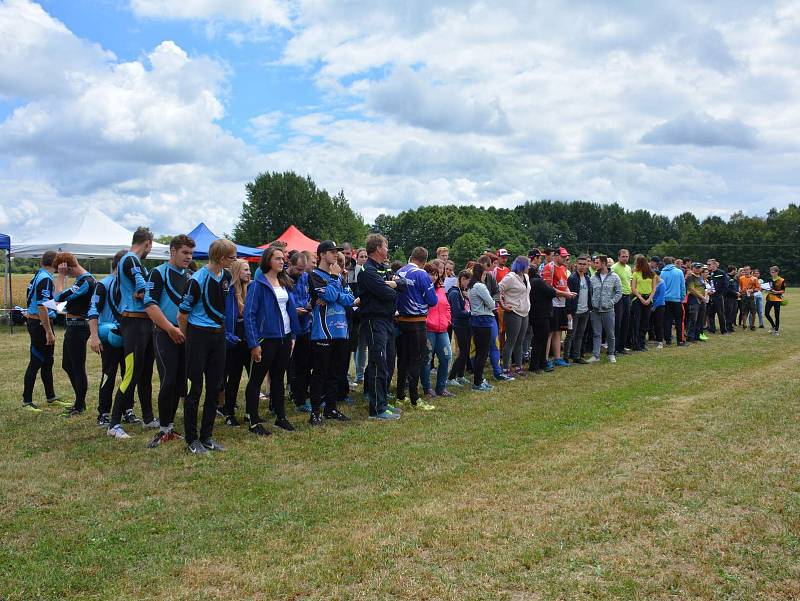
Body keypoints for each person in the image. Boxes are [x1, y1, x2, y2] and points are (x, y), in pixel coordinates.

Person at [177, 239, 235, 453]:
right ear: (221, 258)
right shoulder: (196, 280)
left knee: (215, 387)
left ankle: (207, 436)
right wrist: (187, 338)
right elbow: (181, 314)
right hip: (198, 336)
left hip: (218, 337)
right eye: (232, 257)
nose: (235, 260)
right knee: (195, 389)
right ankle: (191, 439)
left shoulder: (226, 276)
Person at [243, 246, 301, 435]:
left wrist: (292, 335)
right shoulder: (257, 285)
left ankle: (280, 417)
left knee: (278, 378)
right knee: (256, 379)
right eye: (278, 258)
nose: (282, 261)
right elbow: (250, 315)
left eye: (283, 258)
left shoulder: (284, 282)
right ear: (268, 261)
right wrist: (254, 343)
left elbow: (289, 311)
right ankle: (252, 420)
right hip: (266, 338)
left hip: (284, 337)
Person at [107, 227, 158, 440]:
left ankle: (147, 418)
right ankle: (114, 423)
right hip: (134, 322)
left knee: (145, 372)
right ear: (147, 243)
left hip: (143, 323)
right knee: (132, 372)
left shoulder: (131, 261)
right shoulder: (131, 259)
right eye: (150, 246)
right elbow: (141, 289)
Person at [143, 235, 194, 446]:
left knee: (181, 383)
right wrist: (170, 328)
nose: (188, 257)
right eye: (185, 253)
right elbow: (149, 305)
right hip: (164, 334)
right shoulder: (158, 273)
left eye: (191, 253)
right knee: (168, 380)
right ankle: (163, 428)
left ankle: (170, 426)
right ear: (173, 251)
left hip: (186, 335)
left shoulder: (190, 275)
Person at [308, 241, 355, 425]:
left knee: (336, 372)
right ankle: (315, 412)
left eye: (337, 252)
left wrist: (333, 294)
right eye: (331, 251)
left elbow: (350, 299)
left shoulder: (340, 277)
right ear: (321, 255)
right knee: (320, 373)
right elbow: (326, 296)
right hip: (322, 332)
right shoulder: (314, 275)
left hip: (341, 331)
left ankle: (331, 408)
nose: (336, 255)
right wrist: (333, 287)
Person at [358, 234, 404, 420]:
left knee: (388, 361)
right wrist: (393, 286)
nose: (387, 250)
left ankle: (383, 402)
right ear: (378, 248)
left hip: (387, 321)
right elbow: (388, 294)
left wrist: (394, 283)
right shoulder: (367, 271)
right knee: (378, 363)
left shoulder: (383, 269)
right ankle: (376, 409)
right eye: (386, 246)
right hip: (374, 321)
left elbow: (403, 284)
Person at [53, 252, 97, 417]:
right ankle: (80, 401)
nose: (63, 274)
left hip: (78, 327)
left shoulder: (85, 282)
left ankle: (79, 405)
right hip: (73, 326)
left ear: (67, 267)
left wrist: (61, 278)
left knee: (77, 366)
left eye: (62, 270)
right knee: (67, 365)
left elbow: (57, 297)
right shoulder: (81, 281)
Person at [395, 247, 438, 408]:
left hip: (401, 320)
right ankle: (415, 399)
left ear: (411, 257)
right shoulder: (421, 274)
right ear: (424, 261)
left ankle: (400, 396)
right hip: (417, 322)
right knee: (417, 360)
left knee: (403, 359)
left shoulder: (400, 271)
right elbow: (432, 300)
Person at [88, 250, 126, 426]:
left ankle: (128, 410)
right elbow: (93, 311)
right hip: (109, 337)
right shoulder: (102, 285)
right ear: (119, 265)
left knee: (129, 375)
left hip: (128, 337)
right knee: (108, 375)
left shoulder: (129, 285)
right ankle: (103, 413)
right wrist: (94, 337)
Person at [22, 251, 60, 411]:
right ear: (55, 262)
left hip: (37, 321)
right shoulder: (45, 278)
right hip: (39, 324)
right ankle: (27, 401)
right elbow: (42, 306)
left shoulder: (41, 275)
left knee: (48, 361)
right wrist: (48, 331)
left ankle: (51, 397)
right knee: (36, 361)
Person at [221, 258, 252, 425]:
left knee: (253, 378)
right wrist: (228, 337)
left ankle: (250, 412)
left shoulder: (252, 290)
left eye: (249, 270)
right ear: (235, 272)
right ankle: (229, 414)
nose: (249, 272)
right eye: (245, 269)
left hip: (250, 341)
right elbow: (223, 317)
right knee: (233, 379)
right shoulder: (228, 292)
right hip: (233, 342)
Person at [421, 262, 453, 398]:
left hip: (442, 329)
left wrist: (447, 320)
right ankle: (427, 388)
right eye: (431, 274)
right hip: (428, 329)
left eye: (435, 274)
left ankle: (441, 387)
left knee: (446, 357)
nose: (433, 277)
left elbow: (446, 306)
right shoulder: (422, 288)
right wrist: (427, 321)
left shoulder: (441, 288)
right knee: (427, 359)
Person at [287, 252, 312, 413]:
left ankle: (301, 399)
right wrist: (293, 310)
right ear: (289, 264)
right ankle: (276, 402)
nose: (300, 273)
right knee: (288, 366)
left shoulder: (305, 277)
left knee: (304, 365)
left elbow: (307, 295)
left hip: (305, 326)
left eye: (303, 269)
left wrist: (309, 305)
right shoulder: (283, 278)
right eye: (298, 269)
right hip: (289, 329)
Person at [498, 256, 530, 376]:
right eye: (527, 264)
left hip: (524, 312)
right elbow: (498, 289)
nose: (529, 267)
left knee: (520, 341)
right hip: (513, 312)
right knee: (511, 341)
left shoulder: (526, 277)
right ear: (522, 265)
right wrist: (503, 304)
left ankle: (518, 366)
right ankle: (506, 368)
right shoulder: (510, 277)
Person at [588, 255, 622, 363]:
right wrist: (592, 304)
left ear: (603, 263)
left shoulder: (615, 277)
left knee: (610, 334)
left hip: (608, 310)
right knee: (596, 334)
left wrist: (611, 303)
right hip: (595, 311)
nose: (595, 265)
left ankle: (611, 354)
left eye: (597, 263)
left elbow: (618, 292)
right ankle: (595, 355)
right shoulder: (593, 277)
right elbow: (590, 293)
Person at [467, 264, 496, 391]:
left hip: (476, 320)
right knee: (483, 354)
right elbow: (491, 303)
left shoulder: (471, 286)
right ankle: (477, 383)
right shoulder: (480, 286)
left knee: (479, 352)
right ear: (481, 274)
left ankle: (479, 379)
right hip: (483, 320)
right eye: (484, 274)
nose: (485, 277)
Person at [541, 247, 571, 368]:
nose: (565, 259)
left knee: (558, 331)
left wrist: (569, 293)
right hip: (552, 304)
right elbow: (548, 288)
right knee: (549, 332)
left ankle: (558, 357)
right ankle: (545, 359)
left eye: (566, 256)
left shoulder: (564, 268)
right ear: (556, 256)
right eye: (563, 257)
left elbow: (565, 285)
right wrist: (565, 294)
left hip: (562, 304)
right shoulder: (549, 267)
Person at [564, 254, 592, 363]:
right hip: (574, 311)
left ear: (587, 266)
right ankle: (566, 357)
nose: (582, 266)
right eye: (580, 264)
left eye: (584, 264)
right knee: (571, 334)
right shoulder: (572, 278)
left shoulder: (587, 279)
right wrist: (568, 312)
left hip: (585, 311)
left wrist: (589, 307)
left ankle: (576, 356)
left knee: (580, 334)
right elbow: (568, 296)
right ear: (576, 265)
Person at [446, 270, 471, 387]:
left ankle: (460, 375)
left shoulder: (463, 292)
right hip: (459, 325)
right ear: (462, 279)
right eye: (467, 281)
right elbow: (457, 312)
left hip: (466, 324)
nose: (468, 284)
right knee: (463, 352)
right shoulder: (454, 293)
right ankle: (451, 377)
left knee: (466, 351)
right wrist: (471, 313)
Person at [630, 254, 657, 352]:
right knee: (636, 322)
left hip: (648, 298)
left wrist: (649, 299)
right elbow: (633, 288)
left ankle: (642, 343)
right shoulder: (636, 274)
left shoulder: (652, 274)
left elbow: (654, 288)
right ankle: (636, 344)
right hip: (638, 299)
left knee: (645, 323)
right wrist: (641, 298)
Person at [660, 257, 687, 346]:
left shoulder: (662, 273)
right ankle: (680, 340)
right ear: (672, 262)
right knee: (679, 320)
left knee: (667, 320)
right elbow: (682, 286)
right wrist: (682, 297)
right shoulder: (679, 272)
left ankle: (668, 340)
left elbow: (661, 286)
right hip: (676, 299)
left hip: (666, 300)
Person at [611, 249, 632, 355]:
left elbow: (629, 281)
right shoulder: (614, 268)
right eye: (623, 256)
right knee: (617, 323)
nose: (625, 258)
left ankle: (622, 346)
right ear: (618, 257)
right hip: (618, 297)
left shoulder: (628, 268)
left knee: (625, 322)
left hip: (627, 296)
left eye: (626, 256)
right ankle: (613, 347)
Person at [685, 262, 706, 342]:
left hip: (702, 300)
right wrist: (701, 297)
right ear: (692, 268)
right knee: (693, 319)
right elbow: (691, 289)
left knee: (700, 319)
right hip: (693, 299)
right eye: (696, 267)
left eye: (699, 268)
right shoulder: (690, 277)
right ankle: (690, 337)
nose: (698, 269)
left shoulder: (700, 277)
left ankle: (697, 336)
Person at [706, 259, 728, 334]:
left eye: (709, 265)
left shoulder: (721, 273)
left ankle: (723, 330)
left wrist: (718, 292)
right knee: (710, 313)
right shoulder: (707, 273)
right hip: (709, 296)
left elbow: (725, 285)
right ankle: (712, 329)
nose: (708, 266)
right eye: (707, 265)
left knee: (720, 313)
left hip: (718, 296)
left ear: (715, 265)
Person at [738, 265, 759, 331]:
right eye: (744, 270)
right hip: (744, 296)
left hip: (751, 296)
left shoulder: (754, 278)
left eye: (747, 270)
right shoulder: (741, 278)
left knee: (753, 312)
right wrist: (741, 292)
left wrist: (752, 290)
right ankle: (744, 325)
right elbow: (740, 287)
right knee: (744, 311)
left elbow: (758, 288)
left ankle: (752, 325)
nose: (746, 271)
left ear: (750, 270)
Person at [765, 265, 785, 335]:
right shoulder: (769, 279)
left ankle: (776, 330)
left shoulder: (781, 280)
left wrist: (776, 292)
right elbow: (767, 288)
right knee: (766, 313)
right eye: (771, 272)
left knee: (777, 315)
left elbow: (783, 291)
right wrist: (765, 289)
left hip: (777, 299)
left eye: (773, 272)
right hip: (769, 298)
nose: (772, 273)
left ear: (777, 272)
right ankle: (773, 326)